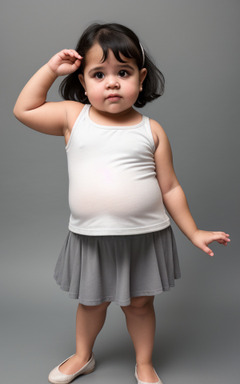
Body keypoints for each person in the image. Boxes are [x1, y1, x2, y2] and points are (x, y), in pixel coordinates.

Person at [13, 23, 230, 384]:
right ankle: (83, 356)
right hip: (91, 237)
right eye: (98, 74)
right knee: (91, 303)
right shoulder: (72, 118)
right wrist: (51, 69)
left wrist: (193, 232)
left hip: (145, 237)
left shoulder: (152, 130)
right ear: (82, 81)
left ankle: (143, 363)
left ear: (141, 79)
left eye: (123, 73)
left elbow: (171, 187)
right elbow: (24, 109)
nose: (111, 82)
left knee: (141, 305)